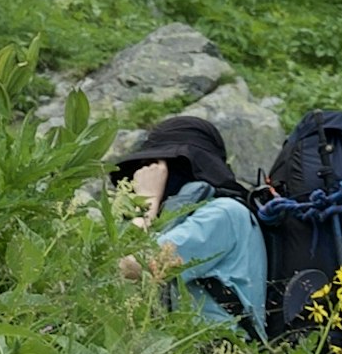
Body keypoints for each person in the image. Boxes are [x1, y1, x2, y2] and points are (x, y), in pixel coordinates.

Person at [106, 111, 267, 341]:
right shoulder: (189, 221)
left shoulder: (223, 214)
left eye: (155, 169)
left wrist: (147, 202)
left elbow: (128, 267)